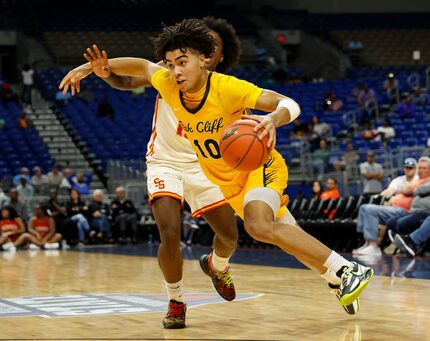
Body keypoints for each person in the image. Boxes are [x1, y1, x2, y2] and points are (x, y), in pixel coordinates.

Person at [60, 19, 374, 319]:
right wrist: (93, 68)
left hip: (257, 166)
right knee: (284, 236)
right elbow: (141, 67)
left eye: (182, 62)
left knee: (258, 226)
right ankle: (335, 277)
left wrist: (272, 119)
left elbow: (287, 102)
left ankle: (347, 270)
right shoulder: (169, 83)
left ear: (207, 59)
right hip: (224, 179)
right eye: (171, 63)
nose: (175, 70)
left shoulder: (227, 88)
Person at [69, 17, 241, 329]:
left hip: (204, 167)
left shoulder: (229, 91)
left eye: (213, 44)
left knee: (229, 236)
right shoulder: (169, 75)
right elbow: (129, 76)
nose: (208, 47)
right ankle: (176, 301)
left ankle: (217, 266)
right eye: (202, 42)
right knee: (170, 232)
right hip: (165, 163)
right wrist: (97, 72)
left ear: (218, 56)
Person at [354, 157, 430, 256]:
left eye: (424, 168)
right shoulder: (401, 179)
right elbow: (389, 192)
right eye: (420, 168)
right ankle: (368, 242)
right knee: (366, 208)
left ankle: (375, 245)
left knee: (369, 210)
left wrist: (405, 190)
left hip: (409, 210)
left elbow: (410, 190)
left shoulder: (421, 180)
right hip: (404, 209)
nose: (421, 170)